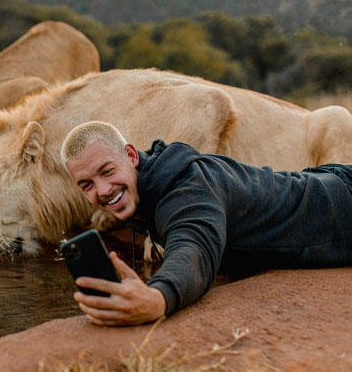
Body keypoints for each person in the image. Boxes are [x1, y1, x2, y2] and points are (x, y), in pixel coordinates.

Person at [60, 121, 352, 326]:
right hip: (323, 182)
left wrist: (159, 297)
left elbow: (193, 245)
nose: (103, 189)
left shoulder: (186, 189)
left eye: (107, 171)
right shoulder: (151, 186)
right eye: (86, 185)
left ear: (131, 155)